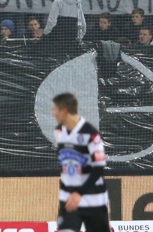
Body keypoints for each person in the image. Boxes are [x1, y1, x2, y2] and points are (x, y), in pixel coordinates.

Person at [52, 92, 110, 232]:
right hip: (70, 202)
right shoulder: (59, 133)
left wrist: (79, 193)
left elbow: (98, 169)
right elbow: (66, 170)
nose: (53, 113)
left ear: (64, 111)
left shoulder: (91, 134)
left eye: (55, 110)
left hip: (93, 201)